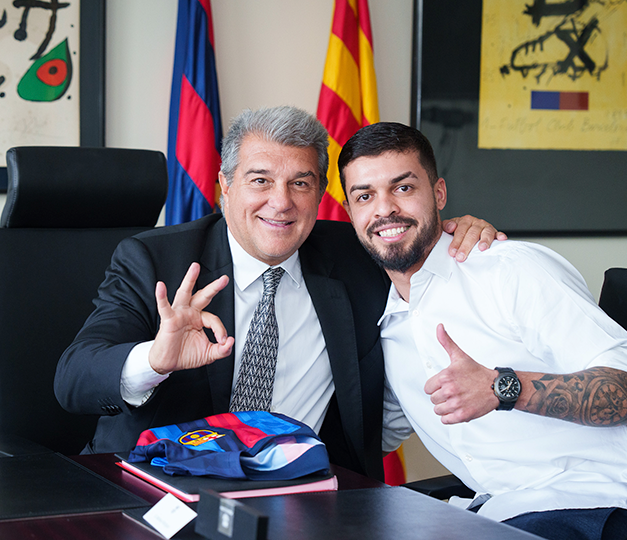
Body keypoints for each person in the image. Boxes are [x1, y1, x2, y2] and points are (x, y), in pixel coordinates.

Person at [53, 106, 502, 481]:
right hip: (158, 488)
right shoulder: (155, 261)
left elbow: (414, 234)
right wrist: (155, 359)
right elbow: (73, 380)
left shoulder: (360, 254)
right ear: (225, 187)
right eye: (260, 180)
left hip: (299, 494)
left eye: (300, 183)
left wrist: (460, 232)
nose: (281, 202)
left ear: (322, 193)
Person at [338, 121, 627, 538]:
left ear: (438, 194)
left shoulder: (510, 271)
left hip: (601, 503)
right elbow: (363, 437)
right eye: (365, 196)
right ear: (350, 212)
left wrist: (502, 387)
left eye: (403, 188)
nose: (385, 209)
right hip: (502, 514)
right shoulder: (386, 324)